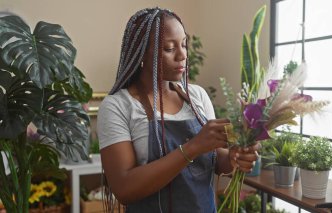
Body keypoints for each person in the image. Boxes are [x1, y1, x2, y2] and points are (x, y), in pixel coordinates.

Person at [97, 7, 259, 213]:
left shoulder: (197, 96)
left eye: (184, 44)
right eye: (169, 48)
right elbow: (124, 188)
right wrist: (192, 147)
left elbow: (217, 161)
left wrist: (234, 158)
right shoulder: (118, 106)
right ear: (141, 53)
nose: (182, 55)